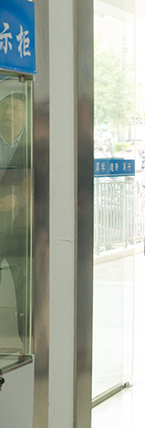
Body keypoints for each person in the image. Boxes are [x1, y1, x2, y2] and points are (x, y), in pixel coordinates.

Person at [0, 93, 30, 348]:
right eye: (4, 107)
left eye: (15, 108)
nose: (8, 112)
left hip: (20, 229)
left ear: (26, 113)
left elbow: (42, 180)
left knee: (24, 291)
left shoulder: (34, 145)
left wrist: (18, 197)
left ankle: (26, 345)